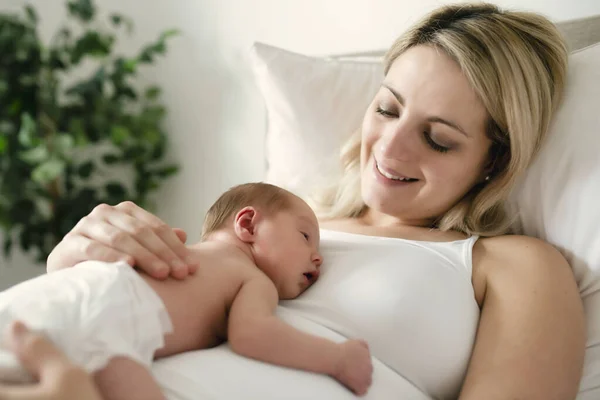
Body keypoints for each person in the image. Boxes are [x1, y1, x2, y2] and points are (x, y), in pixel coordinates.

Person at [5, 2, 586, 399]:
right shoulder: (278, 220)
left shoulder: (511, 264)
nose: (390, 145)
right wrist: (76, 263)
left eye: (438, 138)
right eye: (386, 108)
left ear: (495, 160)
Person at [0, 183, 374, 399]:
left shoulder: (180, 253)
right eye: (306, 236)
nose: (317, 257)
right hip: (109, 319)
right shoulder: (250, 276)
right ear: (248, 224)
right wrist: (336, 358)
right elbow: (253, 334)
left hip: (64, 297)